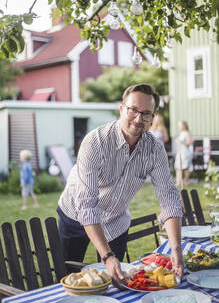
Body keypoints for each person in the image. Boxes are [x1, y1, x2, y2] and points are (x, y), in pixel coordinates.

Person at [57, 84, 184, 284]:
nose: (138, 118)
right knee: (68, 280)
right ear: (122, 108)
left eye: (146, 113)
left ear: (152, 117)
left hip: (115, 221)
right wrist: (107, 256)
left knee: (117, 282)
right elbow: (87, 206)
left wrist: (176, 247)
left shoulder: (155, 149)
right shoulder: (95, 142)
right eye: (133, 110)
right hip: (75, 214)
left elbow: (169, 197)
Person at [174, 121, 193, 188]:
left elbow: (189, 143)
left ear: (184, 125)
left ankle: (185, 181)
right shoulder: (181, 133)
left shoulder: (187, 133)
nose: (179, 127)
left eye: (180, 125)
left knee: (185, 167)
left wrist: (180, 141)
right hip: (180, 152)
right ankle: (178, 182)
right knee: (178, 167)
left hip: (185, 152)